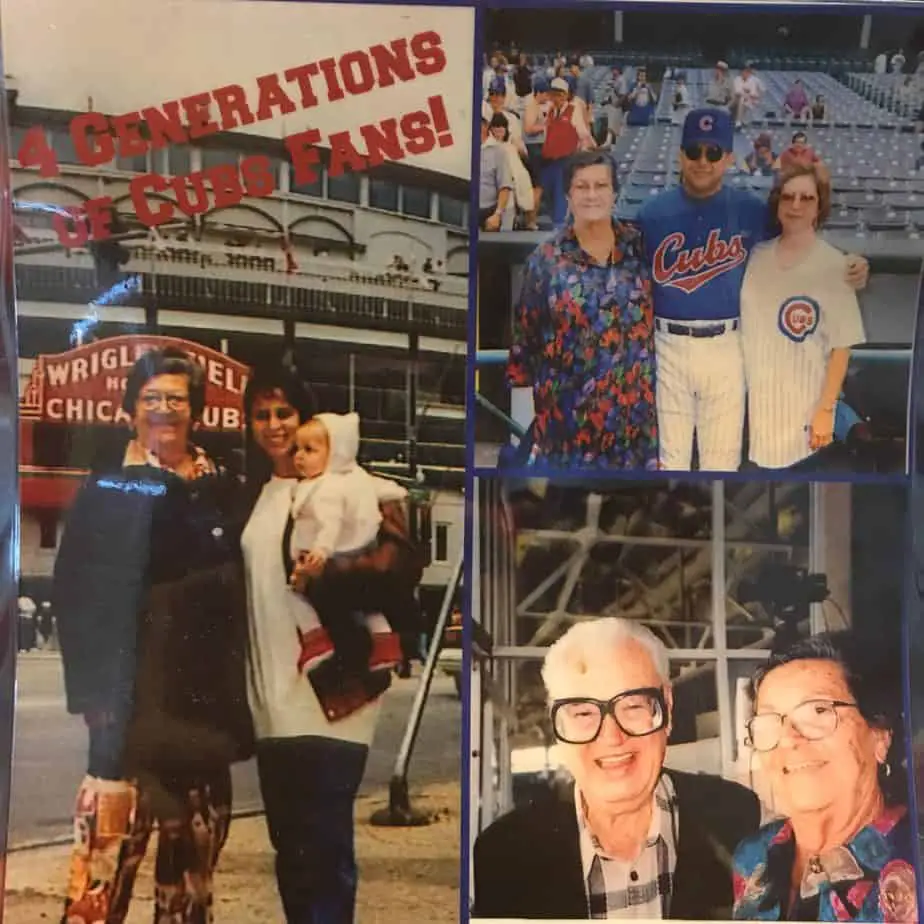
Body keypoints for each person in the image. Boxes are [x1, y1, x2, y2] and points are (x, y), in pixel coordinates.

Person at [52, 347, 253, 922]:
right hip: (123, 714)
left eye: (176, 399)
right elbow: (74, 593)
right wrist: (92, 695)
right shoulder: (105, 491)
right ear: (130, 411)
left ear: (196, 412)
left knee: (189, 891)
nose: (164, 409)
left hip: (201, 715)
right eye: (151, 399)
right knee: (100, 883)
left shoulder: (227, 488)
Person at [472, 618, 761, 919]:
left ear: (667, 708)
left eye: (633, 707)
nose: (612, 737)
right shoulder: (505, 854)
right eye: (583, 712)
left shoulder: (737, 818)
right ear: (557, 727)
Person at [636, 108, 868, 473]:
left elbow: (799, 238)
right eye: (694, 151)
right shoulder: (651, 214)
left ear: (728, 158)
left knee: (722, 466)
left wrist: (851, 262)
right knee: (669, 464)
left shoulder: (751, 210)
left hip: (729, 344)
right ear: (680, 155)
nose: (702, 161)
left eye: (713, 153)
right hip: (667, 345)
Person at [734, 632, 916, 922]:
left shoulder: (913, 857)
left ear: (880, 735)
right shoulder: (753, 857)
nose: (789, 739)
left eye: (818, 711)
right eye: (769, 722)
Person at [506, 151, 658, 471]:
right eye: (582, 187)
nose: (592, 195)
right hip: (566, 433)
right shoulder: (544, 260)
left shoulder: (642, 249)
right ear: (568, 196)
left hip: (634, 435)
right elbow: (524, 346)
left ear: (614, 193)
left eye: (601, 185)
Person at [740, 164, 865, 471]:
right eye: (788, 197)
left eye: (806, 198)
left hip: (807, 420)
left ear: (819, 206)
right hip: (754, 416)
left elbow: (841, 347)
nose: (795, 206)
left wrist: (826, 410)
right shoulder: (754, 256)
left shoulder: (835, 265)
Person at [289, 412, 406, 673]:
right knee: (363, 607)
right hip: (358, 552)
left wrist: (321, 550)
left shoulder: (325, 488)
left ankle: (314, 639)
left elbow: (330, 522)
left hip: (327, 555)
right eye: (297, 448)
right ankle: (385, 644)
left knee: (294, 596)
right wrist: (399, 492)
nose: (299, 456)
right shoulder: (355, 477)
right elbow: (384, 488)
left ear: (335, 453)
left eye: (309, 450)